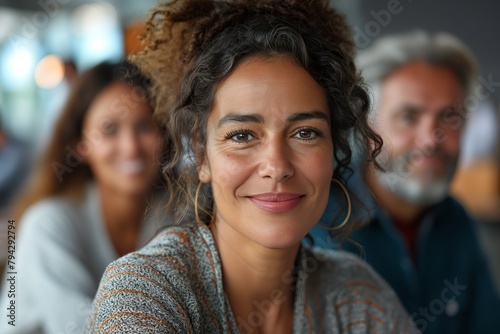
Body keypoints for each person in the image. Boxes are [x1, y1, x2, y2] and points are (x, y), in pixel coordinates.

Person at [84, 1, 419, 333]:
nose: (276, 166)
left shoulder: (358, 297)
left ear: (334, 149)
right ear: (201, 155)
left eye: (305, 133)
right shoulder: (144, 293)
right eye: (242, 135)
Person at [310, 31, 500, 333]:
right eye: (409, 117)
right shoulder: (317, 221)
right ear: (366, 127)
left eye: (450, 116)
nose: (431, 139)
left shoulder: (456, 220)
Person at [0, 61, 169, 333]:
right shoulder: (48, 224)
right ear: (81, 145)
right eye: (110, 130)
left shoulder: (175, 211)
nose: (130, 147)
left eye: (144, 126)